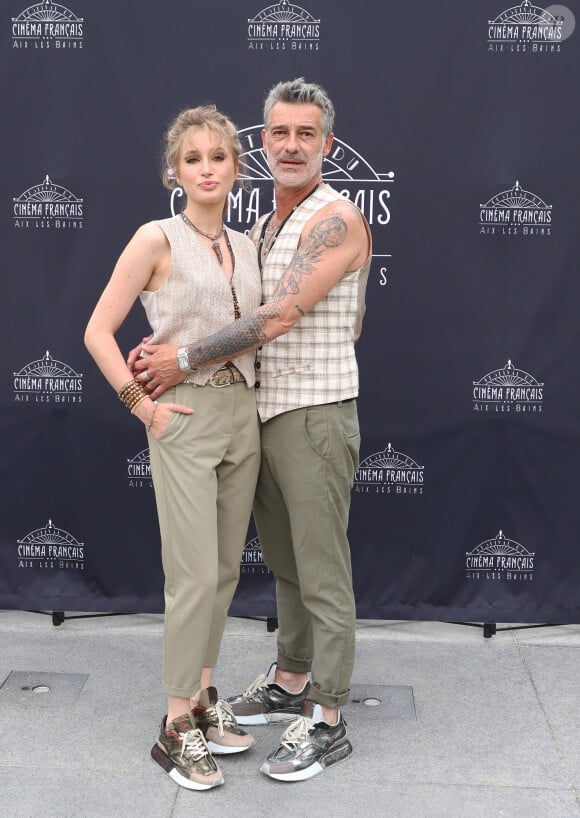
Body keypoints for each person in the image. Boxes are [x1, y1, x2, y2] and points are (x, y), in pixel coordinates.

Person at [129, 78, 372, 782]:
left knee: (321, 572)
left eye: (307, 134)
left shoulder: (336, 217)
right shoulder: (264, 226)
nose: (292, 145)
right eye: (280, 133)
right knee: (289, 568)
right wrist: (166, 346)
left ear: (327, 144)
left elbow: (280, 316)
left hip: (316, 414)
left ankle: (328, 718)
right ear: (262, 145)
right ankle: (291, 679)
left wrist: (181, 358)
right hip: (259, 416)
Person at [84, 105, 262, 792]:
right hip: (183, 419)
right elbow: (98, 331)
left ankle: (205, 699)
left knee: (221, 573)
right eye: (195, 159)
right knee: (190, 577)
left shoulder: (247, 246)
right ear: (175, 170)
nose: (208, 167)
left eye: (220, 156)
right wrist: (145, 410)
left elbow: (255, 330)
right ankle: (173, 727)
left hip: (241, 414)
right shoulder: (154, 238)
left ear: (237, 169)